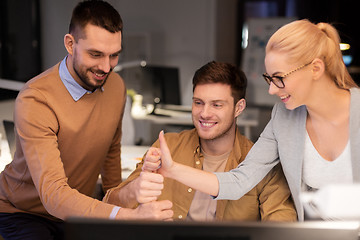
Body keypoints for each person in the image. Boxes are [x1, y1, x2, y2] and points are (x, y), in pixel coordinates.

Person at [143, 19, 360, 221]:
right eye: (269, 78)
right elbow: (240, 180)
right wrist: (173, 170)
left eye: (279, 78)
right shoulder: (284, 118)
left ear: (315, 69)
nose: (272, 90)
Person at [0, 1, 172, 239]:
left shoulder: (116, 86)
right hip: (23, 212)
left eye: (114, 55)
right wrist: (129, 217)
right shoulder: (36, 98)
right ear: (70, 44)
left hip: (77, 209)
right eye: (95, 54)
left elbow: (111, 155)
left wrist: (120, 215)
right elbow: (54, 196)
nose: (106, 67)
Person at [104, 61, 297, 221]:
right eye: (198, 103)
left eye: (217, 105)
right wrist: (134, 190)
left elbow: (282, 224)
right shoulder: (168, 146)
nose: (204, 113)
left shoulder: (261, 162)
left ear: (239, 108)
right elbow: (109, 205)